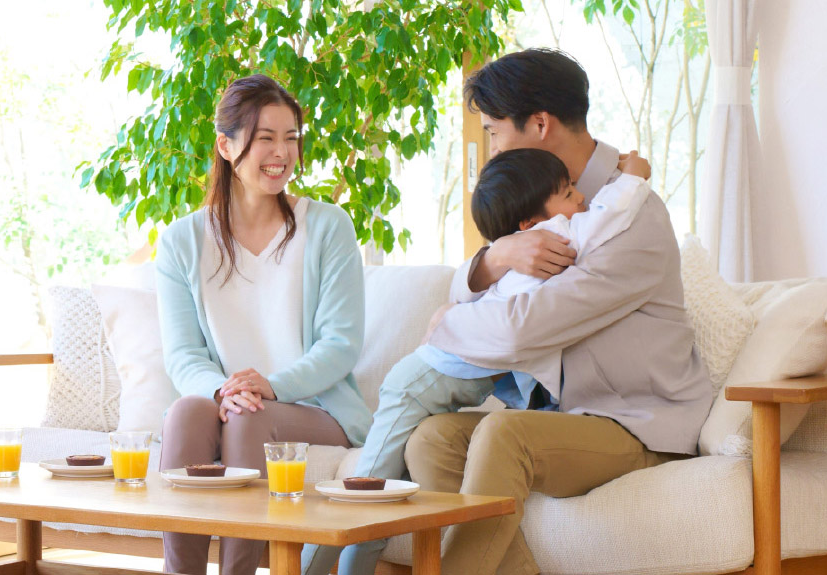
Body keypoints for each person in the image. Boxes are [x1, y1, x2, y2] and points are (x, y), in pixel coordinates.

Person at [299, 145, 652, 574]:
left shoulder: (528, 248)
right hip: (416, 385)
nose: (581, 198)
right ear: (529, 225)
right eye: (567, 192)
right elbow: (608, 215)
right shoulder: (554, 236)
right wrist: (633, 175)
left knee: (374, 493)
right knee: (364, 496)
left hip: (424, 379)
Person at [153, 74, 373, 575]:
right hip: (228, 404)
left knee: (250, 417)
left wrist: (269, 386)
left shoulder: (328, 227)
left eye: (291, 138)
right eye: (265, 138)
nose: (282, 153)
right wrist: (222, 392)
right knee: (186, 412)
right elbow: (183, 355)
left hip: (315, 408)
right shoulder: (182, 241)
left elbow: (340, 344)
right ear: (226, 146)